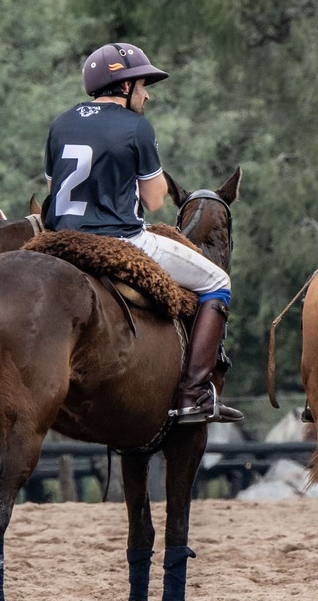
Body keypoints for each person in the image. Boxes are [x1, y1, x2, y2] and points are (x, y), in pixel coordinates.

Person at [43, 42, 240, 425]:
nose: (147, 94)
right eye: (143, 85)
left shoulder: (61, 123)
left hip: (62, 244)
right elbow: (153, 202)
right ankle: (194, 392)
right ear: (123, 86)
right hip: (121, 241)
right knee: (218, 281)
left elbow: (55, 194)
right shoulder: (137, 127)